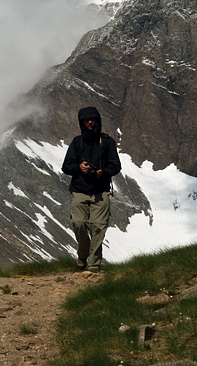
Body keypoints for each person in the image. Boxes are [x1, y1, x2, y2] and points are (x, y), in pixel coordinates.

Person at [61, 106, 121, 273]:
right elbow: (66, 166)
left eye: (93, 119)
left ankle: (94, 265)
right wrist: (80, 167)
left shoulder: (107, 142)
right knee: (78, 223)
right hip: (80, 190)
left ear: (98, 120)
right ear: (81, 122)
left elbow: (115, 165)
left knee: (98, 227)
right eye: (87, 120)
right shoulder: (77, 143)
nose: (90, 122)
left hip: (101, 191)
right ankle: (83, 254)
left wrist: (104, 172)